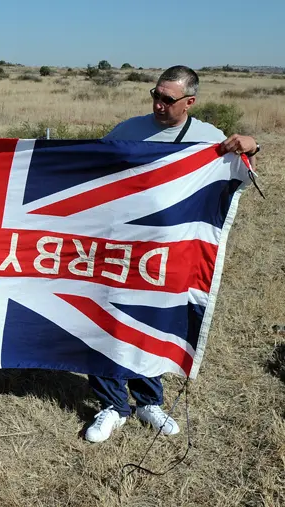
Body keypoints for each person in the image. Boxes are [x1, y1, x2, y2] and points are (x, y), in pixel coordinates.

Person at [84, 65, 259, 443]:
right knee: (106, 316)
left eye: (168, 99)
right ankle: (113, 405)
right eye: (155, 95)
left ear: (189, 101)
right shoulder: (128, 129)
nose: (158, 104)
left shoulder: (210, 138)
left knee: (153, 321)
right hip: (119, 244)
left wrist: (251, 147)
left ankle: (149, 401)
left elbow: (239, 177)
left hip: (168, 249)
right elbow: (92, 169)